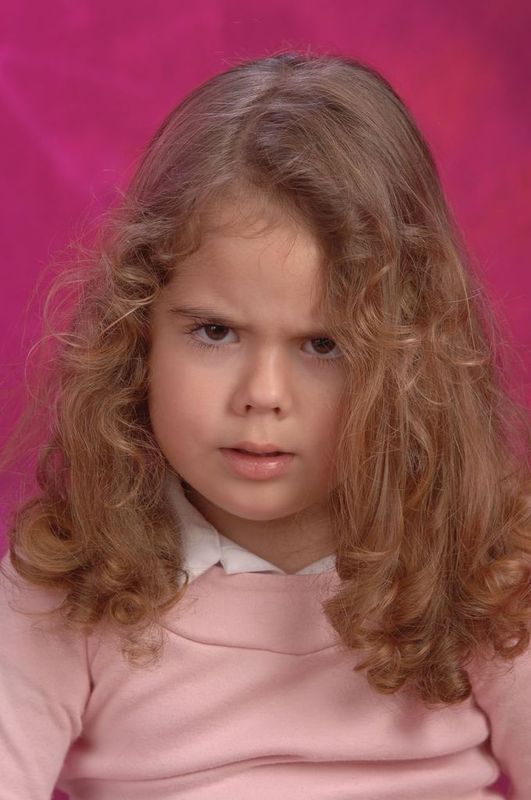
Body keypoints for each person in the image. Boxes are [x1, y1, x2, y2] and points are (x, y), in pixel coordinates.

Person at [1, 51, 530, 800]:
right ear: (137, 336)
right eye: (215, 332)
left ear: (414, 363)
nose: (262, 395)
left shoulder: (482, 567)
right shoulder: (63, 582)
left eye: (324, 345)